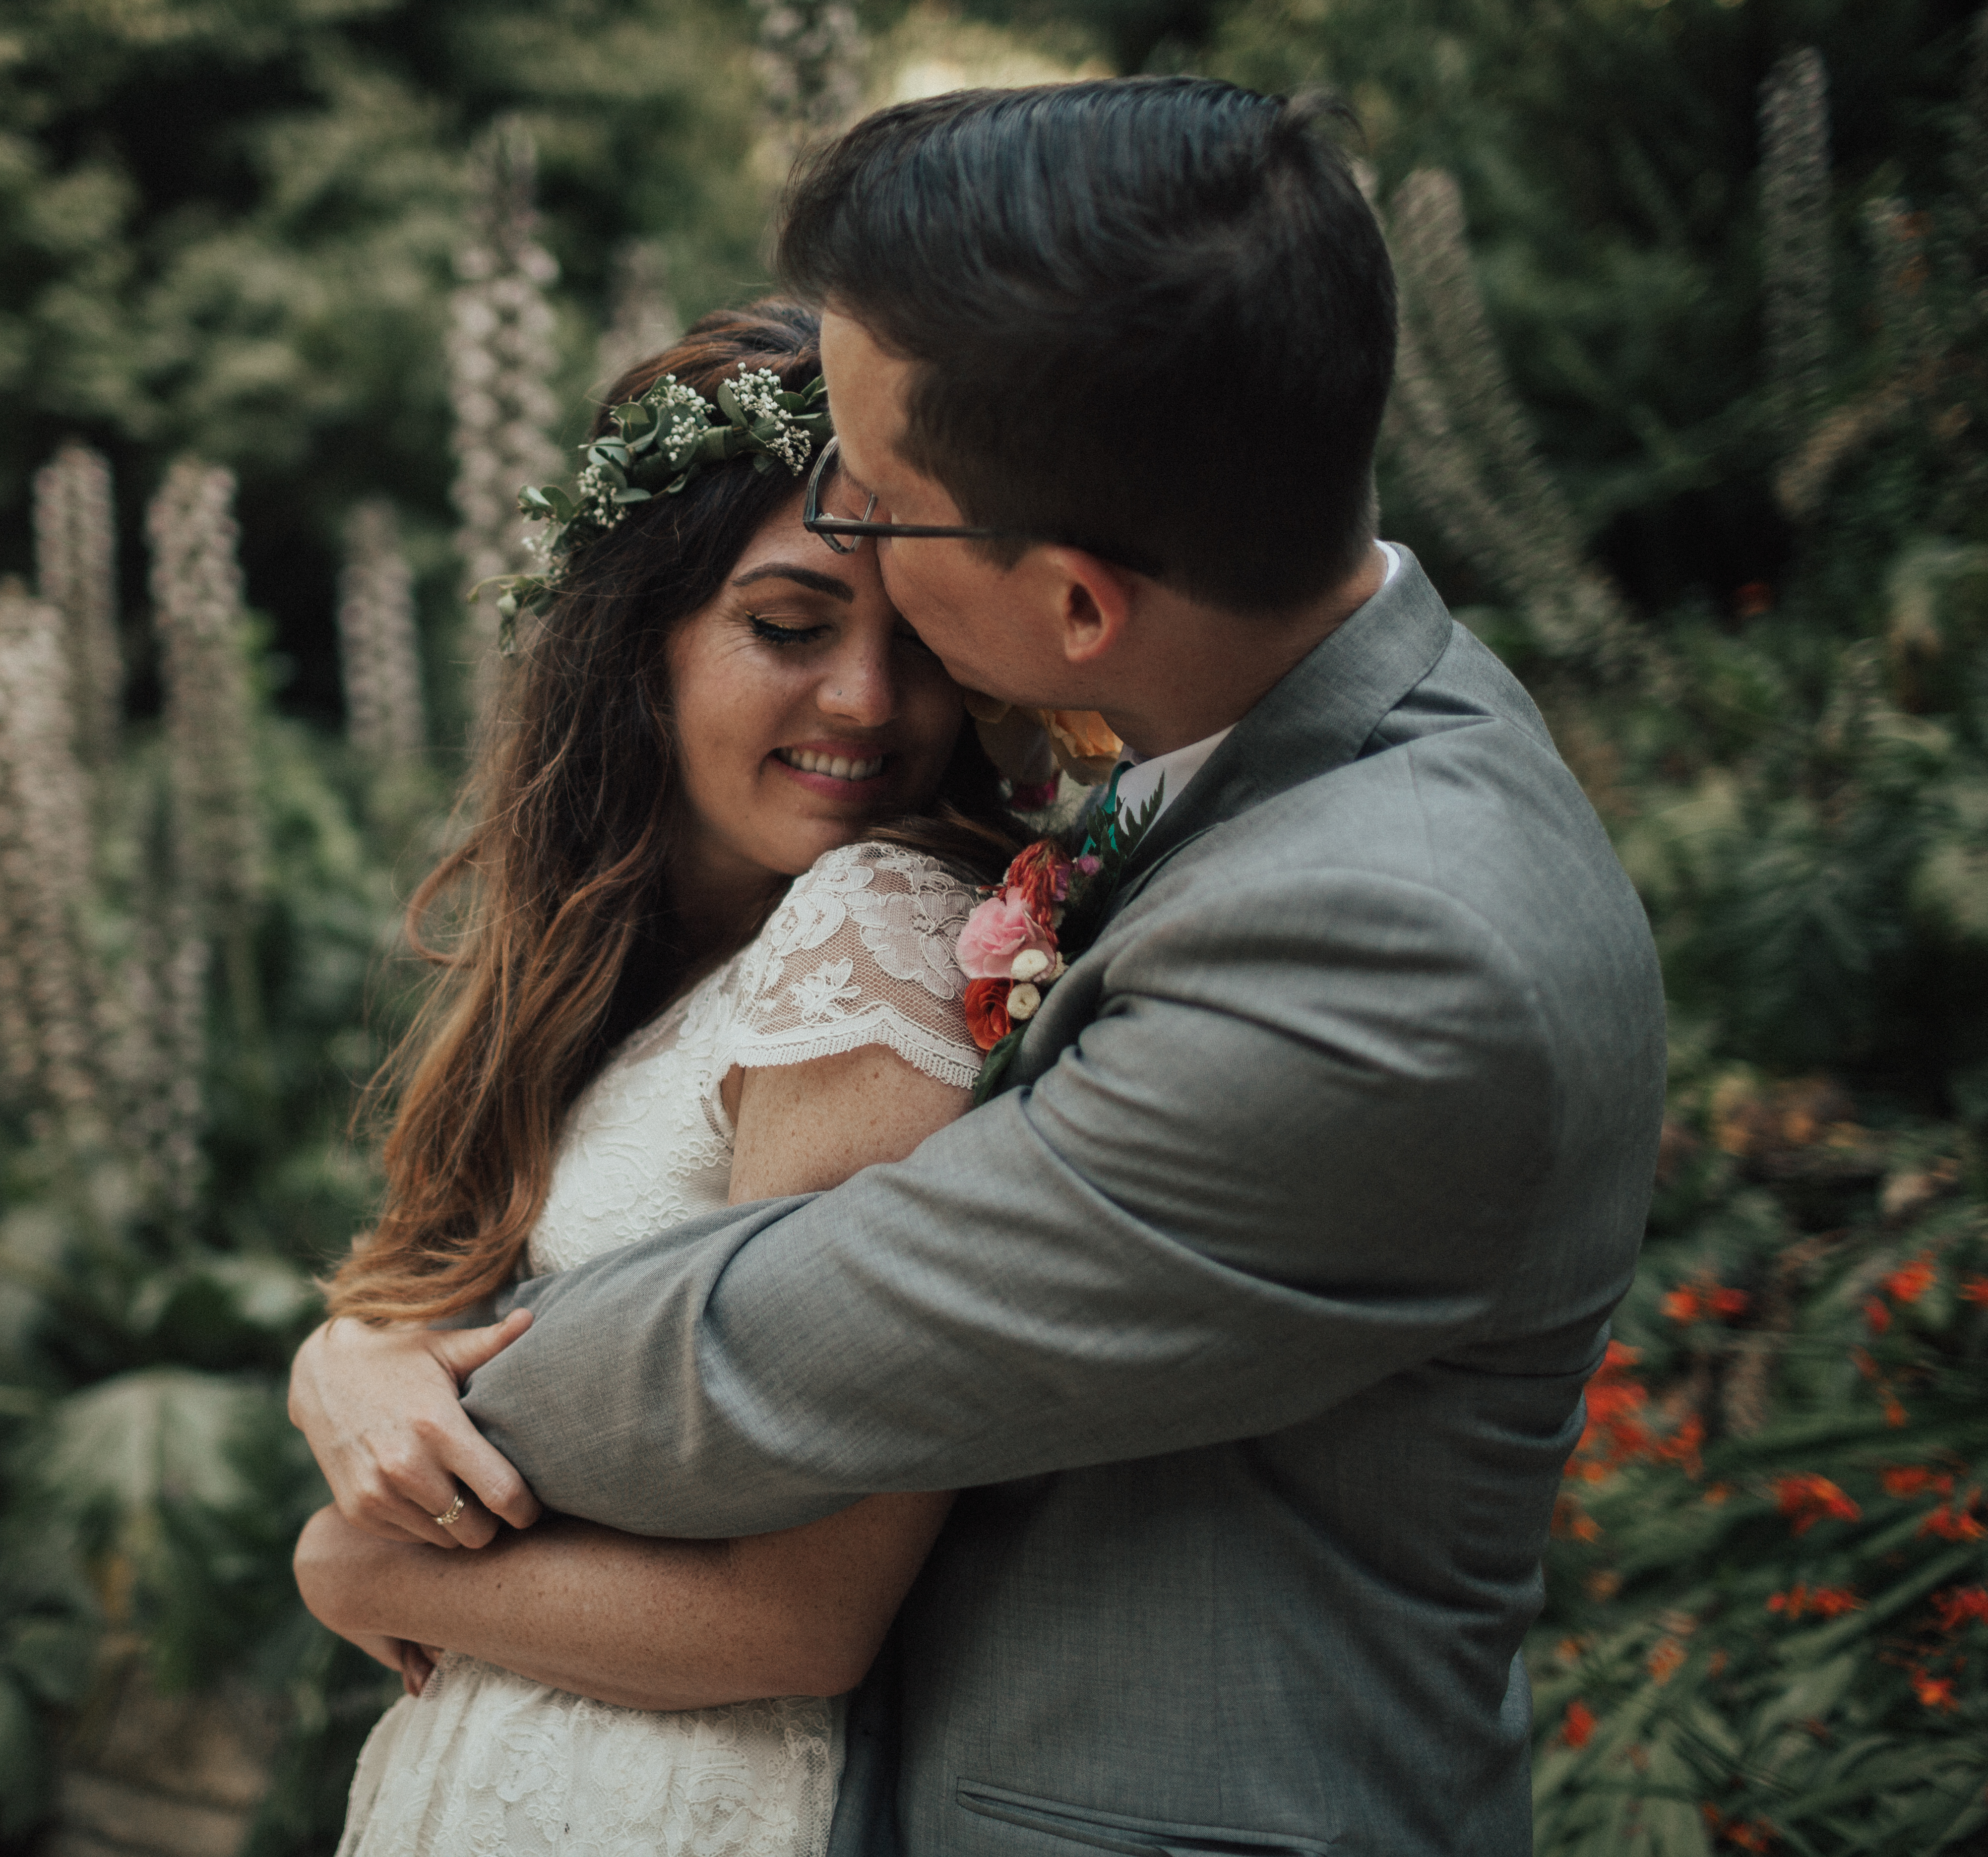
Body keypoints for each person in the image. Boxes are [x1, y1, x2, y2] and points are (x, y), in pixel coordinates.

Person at [292, 77, 1667, 1857]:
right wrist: (358, 1345)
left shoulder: (1391, 954)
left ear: (1078, 606)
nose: (841, 514)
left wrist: (388, 1430)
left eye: (879, 499)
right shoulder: (1236, 767)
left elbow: (789, 1349)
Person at [294, 300, 1047, 1857]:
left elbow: (798, 1618)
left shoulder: (875, 931)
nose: (867, 703)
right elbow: (487, 1297)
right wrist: (353, 1359)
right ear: (638, 638)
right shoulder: (638, 967)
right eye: (790, 626)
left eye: (923, 643)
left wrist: (357, 1572)